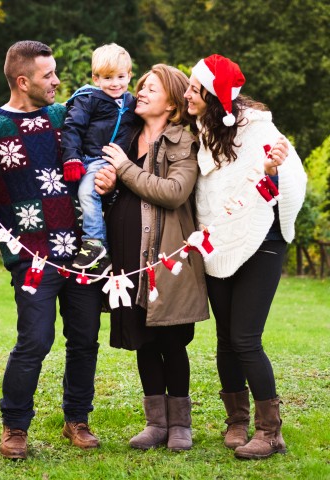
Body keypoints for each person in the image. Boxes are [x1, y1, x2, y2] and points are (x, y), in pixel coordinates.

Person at [0, 40, 104, 460]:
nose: (57, 81)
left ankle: (77, 419)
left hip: (80, 253)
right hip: (31, 257)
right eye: (49, 75)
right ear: (23, 80)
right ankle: (14, 426)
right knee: (35, 339)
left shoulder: (63, 117)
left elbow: (114, 112)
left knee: (84, 339)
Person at [184, 54, 307, 459]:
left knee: (245, 338)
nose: (187, 93)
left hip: (262, 241)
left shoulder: (259, 129)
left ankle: (270, 431)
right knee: (224, 340)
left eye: (194, 87)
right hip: (218, 242)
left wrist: (273, 170)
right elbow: (209, 192)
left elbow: (289, 182)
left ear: (213, 95)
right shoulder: (203, 133)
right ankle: (236, 421)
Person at [100, 64, 209, 452]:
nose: (140, 92)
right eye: (141, 86)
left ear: (173, 101)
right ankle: (155, 424)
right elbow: (76, 112)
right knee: (142, 337)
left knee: (170, 339)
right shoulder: (123, 133)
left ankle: (180, 425)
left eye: (151, 88)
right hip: (127, 253)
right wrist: (105, 181)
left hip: (165, 255)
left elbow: (175, 191)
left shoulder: (183, 140)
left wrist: (124, 169)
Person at [61, 43, 136, 274]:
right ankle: (101, 252)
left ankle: (93, 243)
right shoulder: (88, 99)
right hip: (87, 157)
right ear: (96, 78)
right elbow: (72, 127)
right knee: (77, 197)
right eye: (107, 77)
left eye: (121, 77)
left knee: (88, 192)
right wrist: (71, 158)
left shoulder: (131, 102)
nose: (115, 83)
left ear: (129, 75)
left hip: (109, 159)